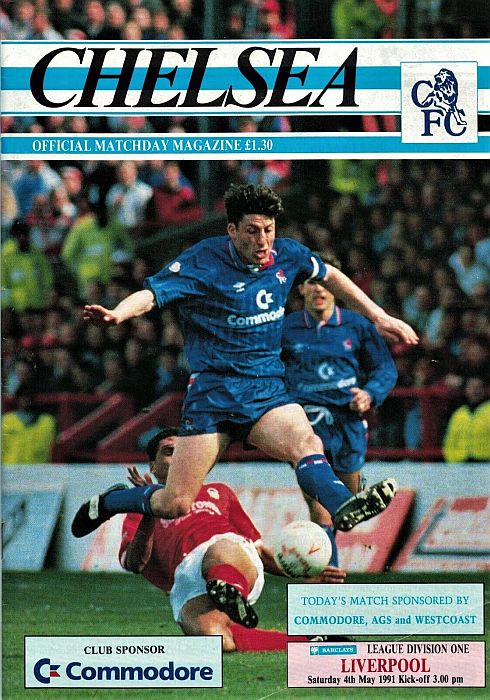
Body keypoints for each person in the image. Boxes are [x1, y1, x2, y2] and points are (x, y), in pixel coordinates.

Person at [72, 184, 417, 540]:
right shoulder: (203, 261)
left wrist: (379, 316)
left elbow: (328, 275)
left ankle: (343, 504)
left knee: (307, 443)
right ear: (232, 230)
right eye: (252, 231)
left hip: (266, 390)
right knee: (175, 503)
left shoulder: (287, 254)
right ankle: (112, 501)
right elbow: (151, 295)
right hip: (214, 394)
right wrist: (118, 313)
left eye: (269, 229)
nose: (263, 240)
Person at [119, 426, 346, 651]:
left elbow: (258, 551)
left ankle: (229, 589)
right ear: (153, 466)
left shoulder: (220, 492)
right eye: (169, 452)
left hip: (230, 557)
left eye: (183, 452)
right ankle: (313, 641)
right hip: (187, 581)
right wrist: (149, 510)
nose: (179, 458)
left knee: (219, 549)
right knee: (216, 639)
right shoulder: (138, 510)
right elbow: (134, 563)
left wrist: (302, 571)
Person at [282, 253, 398, 564]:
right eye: (311, 283)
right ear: (301, 289)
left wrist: (369, 394)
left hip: (348, 421)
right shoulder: (286, 328)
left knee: (346, 507)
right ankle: (329, 573)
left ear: (337, 287)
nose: (319, 289)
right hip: (306, 422)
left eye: (325, 283)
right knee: (320, 506)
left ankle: (328, 556)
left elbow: (385, 369)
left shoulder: (356, 325)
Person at [442, 376, 490, 462]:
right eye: (472, 387)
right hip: (461, 464)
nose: (475, 391)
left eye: (478, 387)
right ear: (466, 390)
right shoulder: (459, 414)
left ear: (484, 390)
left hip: (485, 463)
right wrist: (452, 460)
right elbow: (449, 440)